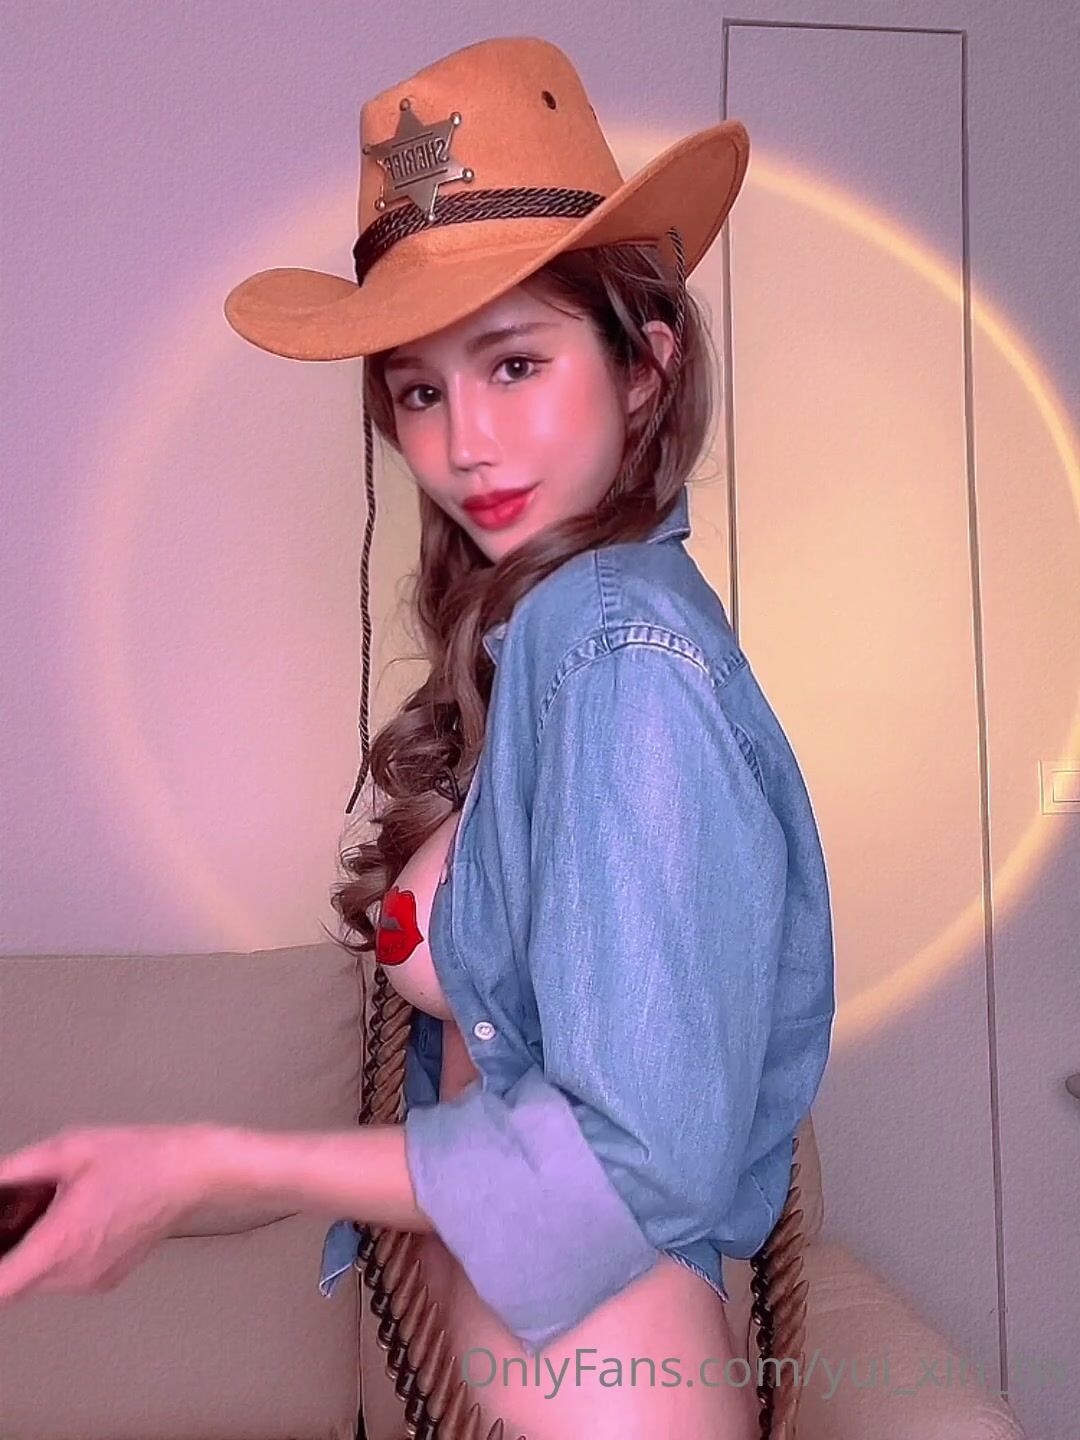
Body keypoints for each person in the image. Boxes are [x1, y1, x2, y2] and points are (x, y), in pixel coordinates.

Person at [223, 33, 836, 1440]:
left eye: (513, 363)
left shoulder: (616, 648)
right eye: (420, 389)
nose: (463, 446)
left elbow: (643, 1162)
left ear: (644, 368)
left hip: (610, 1378)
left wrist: (216, 1164)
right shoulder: (544, 641)